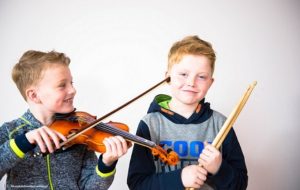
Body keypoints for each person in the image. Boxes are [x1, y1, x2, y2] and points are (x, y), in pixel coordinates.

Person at [127, 35, 248, 190]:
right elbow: (137, 185)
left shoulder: (221, 124)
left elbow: (241, 185)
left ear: (210, 83)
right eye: (183, 74)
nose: (191, 82)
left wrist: (219, 169)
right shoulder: (150, 124)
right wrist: (179, 179)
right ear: (167, 77)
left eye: (202, 77)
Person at [0, 50, 130, 190]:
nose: (73, 90)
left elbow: (90, 188)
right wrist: (23, 142)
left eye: (71, 83)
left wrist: (106, 164)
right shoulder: (10, 131)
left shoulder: (79, 132)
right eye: (62, 85)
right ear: (34, 95)